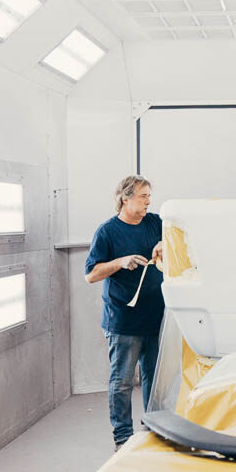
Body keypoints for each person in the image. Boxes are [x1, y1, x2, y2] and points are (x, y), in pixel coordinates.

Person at [85, 174, 165, 449]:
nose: (148, 202)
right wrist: (120, 261)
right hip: (123, 321)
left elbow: (177, 241)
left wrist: (164, 245)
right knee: (122, 381)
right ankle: (123, 439)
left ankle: (154, 433)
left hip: (155, 317)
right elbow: (91, 275)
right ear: (125, 198)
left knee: (155, 383)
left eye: (148, 197)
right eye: (143, 197)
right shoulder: (107, 232)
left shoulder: (155, 222)